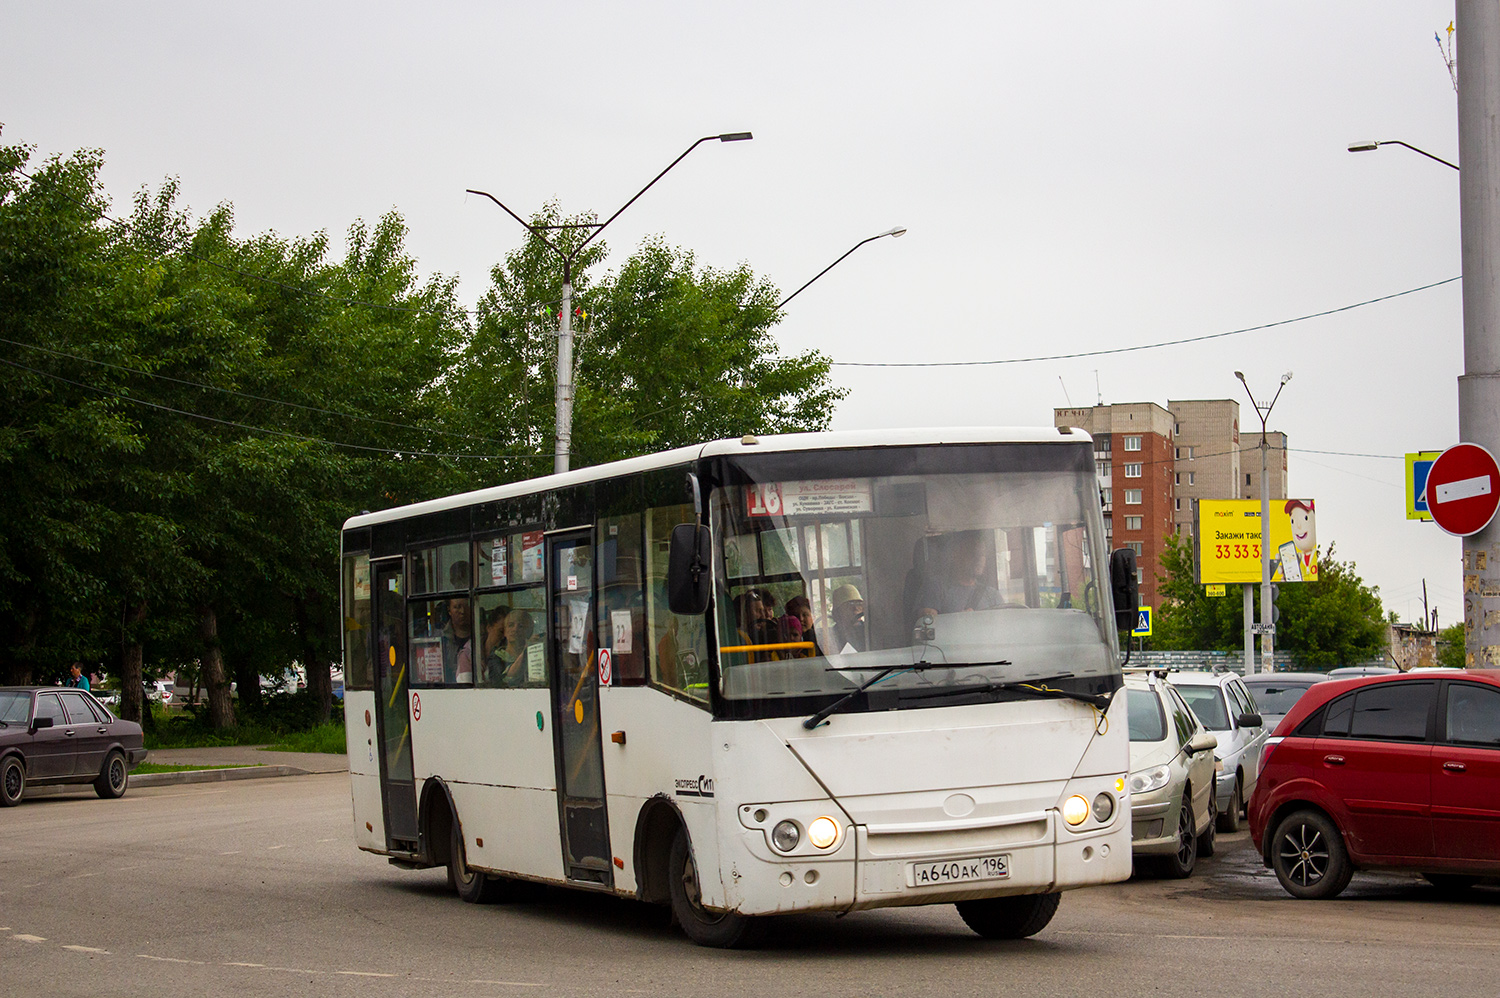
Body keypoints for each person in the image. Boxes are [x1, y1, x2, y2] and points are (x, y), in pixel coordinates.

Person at [915, 530, 1004, 620]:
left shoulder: (992, 595)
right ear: (955, 555)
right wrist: (959, 620)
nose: (979, 558)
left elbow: (1003, 626)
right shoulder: (936, 587)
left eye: (982, 554)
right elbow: (928, 625)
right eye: (973, 552)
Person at [485, 608, 535, 686]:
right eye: (511, 625)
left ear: (529, 631)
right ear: (505, 631)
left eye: (521, 626)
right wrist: (525, 651)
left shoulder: (534, 653)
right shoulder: (496, 657)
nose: (515, 629)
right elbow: (504, 680)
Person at [441, 597, 474, 684]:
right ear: (449, 611)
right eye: (457, 607)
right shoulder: (442, 640)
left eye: (466, 607)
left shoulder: (481, 635)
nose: (462, 612)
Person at [829, 584, 867, 653]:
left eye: (859, 603)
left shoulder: (868, 631)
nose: (856, 608)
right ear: (838, 612)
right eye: (850, 604)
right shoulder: (831, 636)